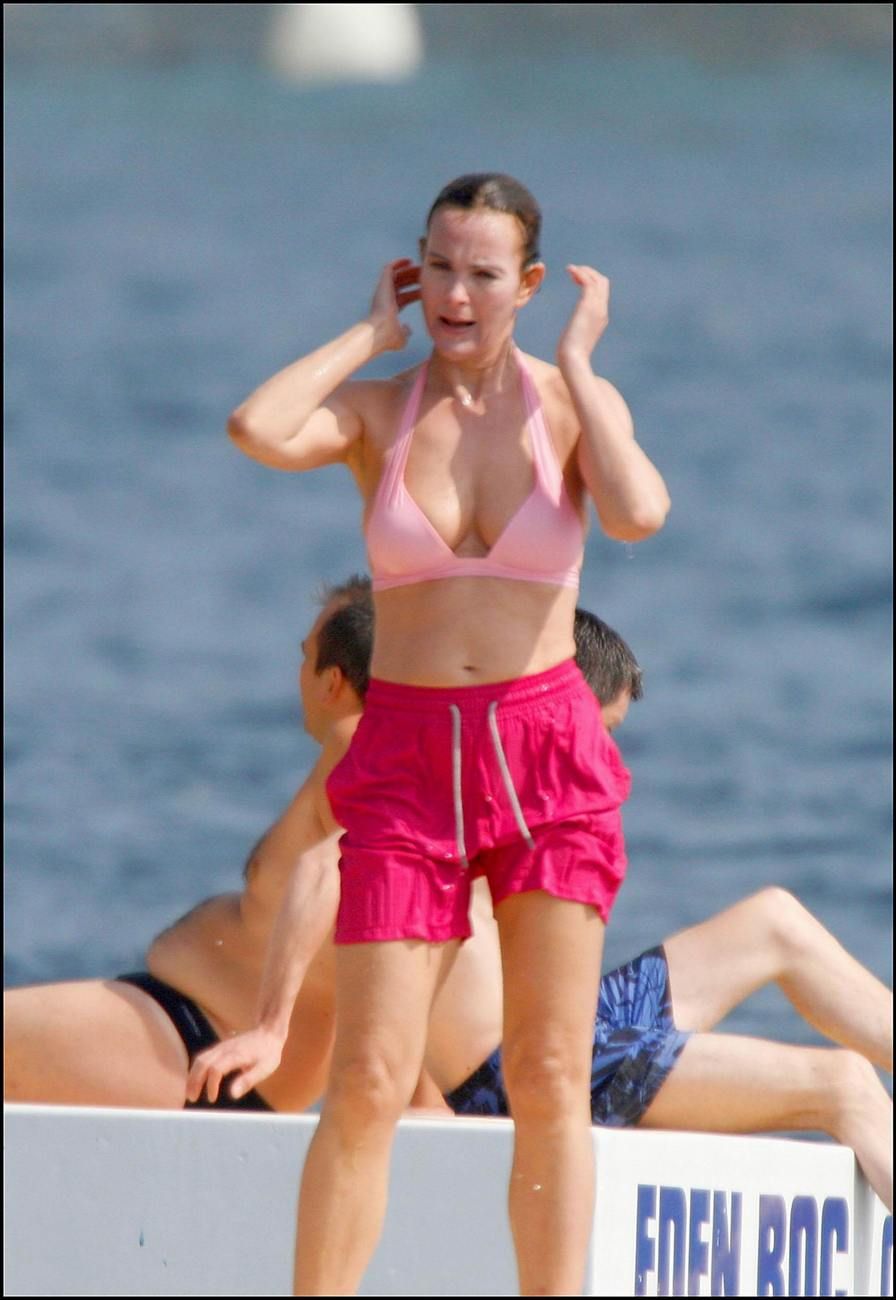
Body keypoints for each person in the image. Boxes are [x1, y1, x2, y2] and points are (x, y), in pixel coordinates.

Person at [7, 601, 892, 1216]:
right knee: (843, 1086)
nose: (611, 758)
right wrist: (275, 1027)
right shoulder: (474, 771)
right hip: (521, 1076)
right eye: (606, 731)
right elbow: (327, 867)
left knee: (775, 917)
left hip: (572, 1038)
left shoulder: (535, 785)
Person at [223, 170, 671, 1296]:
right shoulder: (380, 411)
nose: (456, 294)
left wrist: (580, 369)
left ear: (528, 284)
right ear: (412, 271)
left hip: (544, 752)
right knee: (368, 1078)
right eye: (437, 267)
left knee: (549, 1072)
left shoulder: (566, 408)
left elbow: (637, 514)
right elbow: (256, 427)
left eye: (482, 273)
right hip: (409, 759)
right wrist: (367, 334)